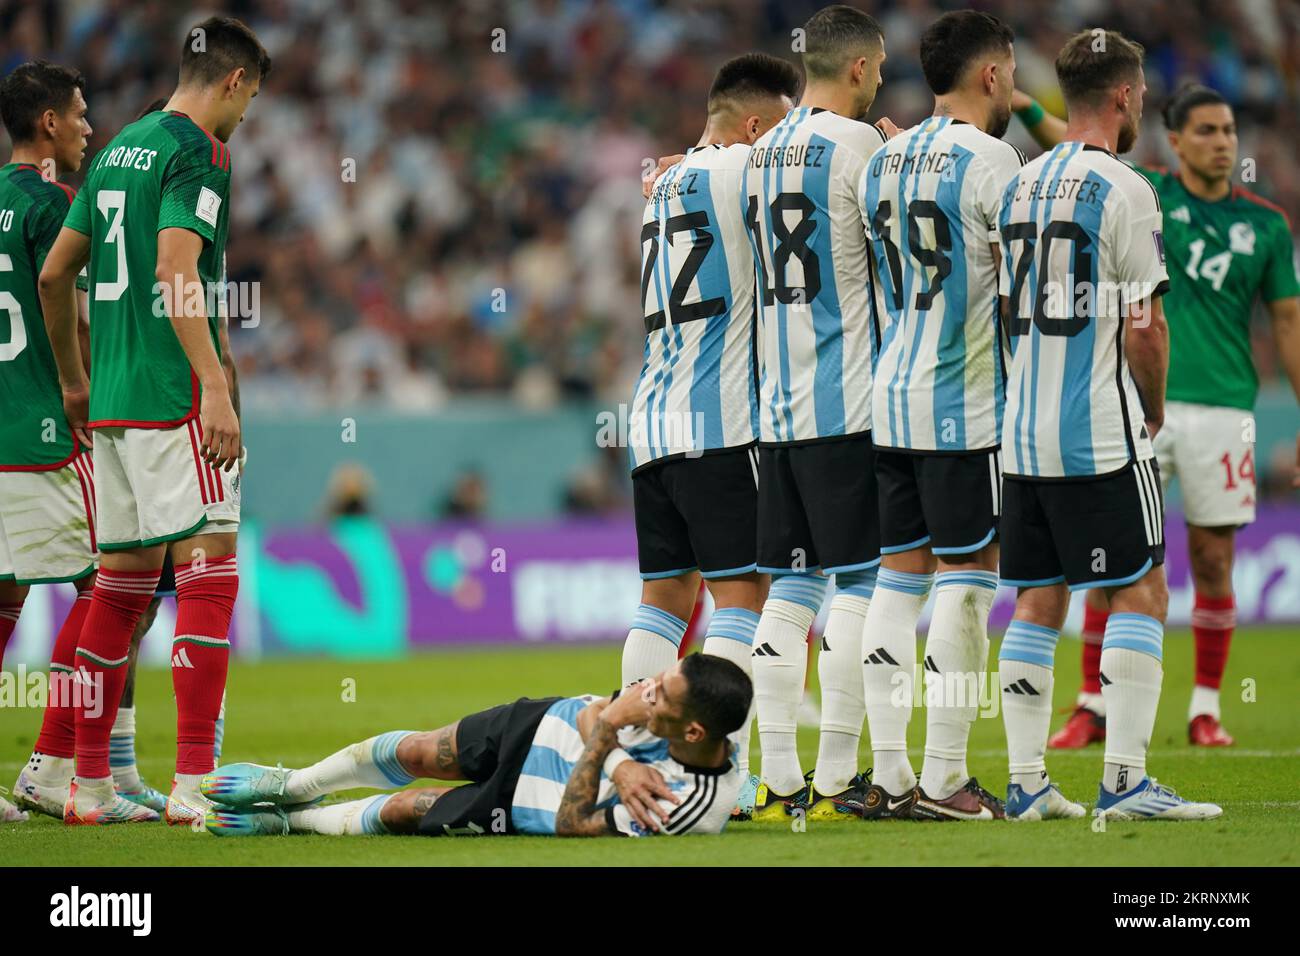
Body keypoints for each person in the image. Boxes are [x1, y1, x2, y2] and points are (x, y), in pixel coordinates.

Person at [1013, 82, 1300, 749]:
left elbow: (1287, 321)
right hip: (1139, 404)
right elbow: (1071, 143)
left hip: (1226, 409)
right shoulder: (1146, 190)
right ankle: (1092, 704)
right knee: (1107, 556)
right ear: (1175, 140)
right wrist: (1025, 102)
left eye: (1228, 131)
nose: (1222, 143)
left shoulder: (1266, 225)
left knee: (1214, 560)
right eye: (1206, 131)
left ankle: (1204, 708)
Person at [38, 15, 268, 825]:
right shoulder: (199, 152)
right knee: (210, 580)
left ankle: (89, 785)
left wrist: (76, 380)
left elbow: (55, 272)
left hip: (111, 410)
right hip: (174, 402)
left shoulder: (112, 154)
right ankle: (194, 783)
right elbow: (176, 268)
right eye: (250, 102)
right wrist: (212, 385)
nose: (245, 119)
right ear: (236, 82)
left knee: (118, 594)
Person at [995, 29, 1219, 820]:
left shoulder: (1019, 185)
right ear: (1124, 96)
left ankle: (1026, 784)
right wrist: (1153, 406)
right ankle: (1125, 781)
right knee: (1143, 593)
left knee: (1035, 601)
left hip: (1019, 433)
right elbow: (1144, 326)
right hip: (1096, 427)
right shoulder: (1127, 188)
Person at [857, 10, 1026, 821]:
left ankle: (889, 777)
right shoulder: (997, 162)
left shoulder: (883, 161)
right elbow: (1020, 287)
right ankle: (946, 779)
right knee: (969, 582)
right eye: (1014, 73)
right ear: (991, 76)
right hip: (966, 402)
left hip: (890, 399)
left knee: (898, 579)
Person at [622, 52, 800, 811]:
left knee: (664, 598)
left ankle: (632, 748)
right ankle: (726, 769)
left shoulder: (660, 186)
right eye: (784, 129)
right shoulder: (742, 174)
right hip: (721, 418)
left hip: (651, 420)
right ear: (757, 127)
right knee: (741, 598)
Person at [739, 3, 898, 824]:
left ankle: (778, 784)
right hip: (850, 399)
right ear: (864, 69)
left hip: (779, 410)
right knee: (863, 582)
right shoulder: (862, 144)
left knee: (789, 588)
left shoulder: (759, 151)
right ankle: (838, 779)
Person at [201, 655, 750, 838]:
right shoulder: (668, 705)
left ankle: (292, 823)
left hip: (522, 806)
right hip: (537, 723)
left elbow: (570, 821)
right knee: (418, 751)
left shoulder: (687, 807)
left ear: (694, 734)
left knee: (401, 812)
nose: (644, 692)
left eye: (658, 696)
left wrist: (610, 741)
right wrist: (623, 763)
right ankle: (294, 784)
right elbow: (590, 713)